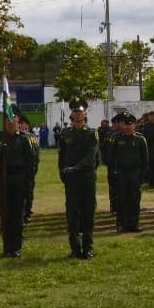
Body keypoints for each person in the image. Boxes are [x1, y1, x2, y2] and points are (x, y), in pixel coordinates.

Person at [0, 111, 35, 257]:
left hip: (19, 180)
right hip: (4, 182)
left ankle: (16, 247)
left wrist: (28, 185)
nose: (10, 123)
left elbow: (31, 163)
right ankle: (6, 246)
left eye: (13, 120)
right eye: (7, 121)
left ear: (18, 122)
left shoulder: (24, 139)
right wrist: (0, 152)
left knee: (17, 216)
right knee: (5, 216)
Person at [58, 99, 99, 258]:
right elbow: (61, 157)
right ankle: (75, 248)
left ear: (85, 114)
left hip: (87, 178)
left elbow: (91, 157)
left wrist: (75, 168)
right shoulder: (66, 134)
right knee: (72, 214)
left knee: (88, 213)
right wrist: (62, 173)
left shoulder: (92, 133)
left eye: (80, 111)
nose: (77, 114)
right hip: (71, 179)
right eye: (75, 112)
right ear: (71, 114)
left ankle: (88, 248)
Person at [107, 111, 148, 235]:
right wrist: (113, 173)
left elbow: (145, 159)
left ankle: (134, 224)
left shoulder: (140, 139)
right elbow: (111, 157)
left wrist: (143, 174)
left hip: (135, 173)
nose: (128, 126)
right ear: (122, 125)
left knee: (135, 200)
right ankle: (121, 224)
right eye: (126, 124)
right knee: (121, 199)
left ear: (134, 125)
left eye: (130, 124)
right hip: (121, 173)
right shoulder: (116, 138)